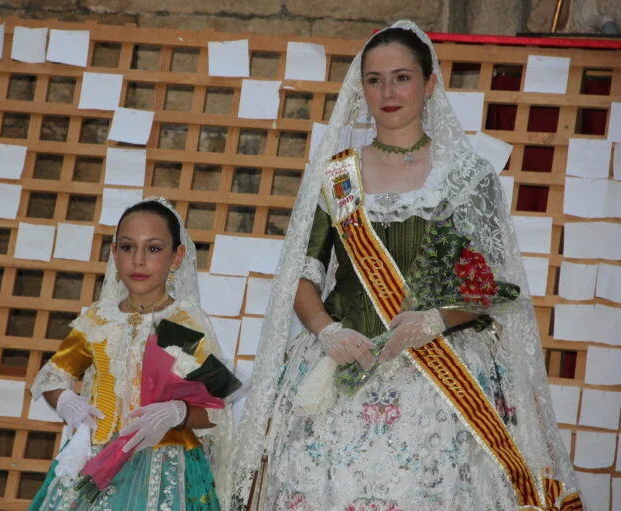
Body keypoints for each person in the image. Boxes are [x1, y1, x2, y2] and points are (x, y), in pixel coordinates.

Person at [227, 20, 583, 511]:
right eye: (375, 80)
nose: (388, 92)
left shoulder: (465, 175)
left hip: (445, 372)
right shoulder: (337, 175)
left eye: (402, 77)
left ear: (429, 83)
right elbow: (302, 275)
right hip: (343, 367)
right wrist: (326, 331)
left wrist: (436, 319)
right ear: (361, 88)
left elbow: (495, 284)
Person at [29, 197, 231, 510]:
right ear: (114, 252)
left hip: (165, 465)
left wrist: (178, 412)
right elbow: (53, 375)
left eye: (153, 248)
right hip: (95, 462)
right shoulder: (99, 319)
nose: (138, 260)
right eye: (127, 247)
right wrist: (67, 402)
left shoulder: (180, 324)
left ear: (176, 256)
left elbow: (217, 407)